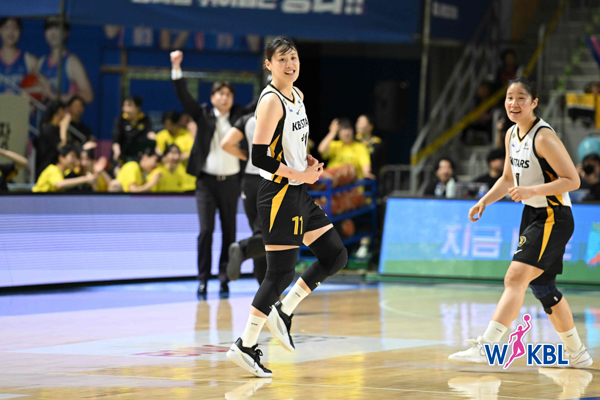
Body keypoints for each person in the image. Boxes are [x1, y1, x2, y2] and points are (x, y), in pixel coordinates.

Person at [449, 77, 593, 368]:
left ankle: (488, 345)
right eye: (509, 98)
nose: (513, 104)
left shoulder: (543, 137)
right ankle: (577, 353)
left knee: (514, 278)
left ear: (534, 103)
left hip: (554, 215)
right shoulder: (511, 134)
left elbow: (573, 180)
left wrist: (531, 190)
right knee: (543, 289)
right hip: (533, 214)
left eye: (521, 98)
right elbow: (506, 178)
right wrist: (484, 201)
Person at [226, 36, 347, 378]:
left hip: (297, 191)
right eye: (282, 59)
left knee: (335, 255)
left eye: (293, 57)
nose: (290, 64)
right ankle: (245, 344)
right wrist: (300, 174)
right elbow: (259, 156)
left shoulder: (298, 95)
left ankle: (284, 310)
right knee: (279, 273)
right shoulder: (271, 101)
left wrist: (305, 159)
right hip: (278, 193)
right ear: (269, 65)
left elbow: (290, 142)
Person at [170, 49, 256, 296]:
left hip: (231, 183)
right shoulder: (203, 115)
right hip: (206, 183)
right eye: (220, 93)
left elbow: (261, 102)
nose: (224, 97)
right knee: (206, 230)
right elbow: (184, 96)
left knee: (229, 231)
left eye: (228, 94)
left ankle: (224, 278)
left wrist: (274, 78)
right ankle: (203, 278)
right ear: (212, 96)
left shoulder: (239, 116)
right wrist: (176, 67)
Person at [221, 113, 268, 284]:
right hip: (272, 178)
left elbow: (226, 143)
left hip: (249, 181)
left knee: (260, 235)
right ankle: (243, 249)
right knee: (277, 235)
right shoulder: (284, 115)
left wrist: (249, 157)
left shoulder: (247, 119)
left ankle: (265, 294)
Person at [37, 18, 93, 104]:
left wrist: (53, 96)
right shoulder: (41, 62)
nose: (53, 33)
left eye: (57, 27)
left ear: (66, 32)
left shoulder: (72, 62)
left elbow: (88, 96)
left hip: (64, 112)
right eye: (49, 27)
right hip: (44, 112)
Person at [32, 144, 100, 192]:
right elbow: (59, 184)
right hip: (36, 200)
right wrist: (85, 179)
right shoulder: (52, 169)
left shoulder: (66, 172)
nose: (74, 160)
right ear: (61, 158)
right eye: (72, 156)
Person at [112, 95, 155, 163]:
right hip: (121, 156)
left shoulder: (145, 120)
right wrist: (117, 152)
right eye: (124, 106)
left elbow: (150, 133)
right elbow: (115, 140)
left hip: (138, 157)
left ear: (138, 108)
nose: (125, 109)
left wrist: (154, 138)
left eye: (129, 106)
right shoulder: (120, 120)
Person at [0, 17, 37, 95]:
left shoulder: (30, 61)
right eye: (7, 27)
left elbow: (38, 93)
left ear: (20, 31)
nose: (11, 32)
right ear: (0, 30)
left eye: (15, 28)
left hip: (21, 103)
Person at [34, 100, 71, 178]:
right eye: (65, 111)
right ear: (60, 111)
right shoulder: (48, 129)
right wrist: (63, 128)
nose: (67, 115)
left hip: (57, 171)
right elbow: (62, 149)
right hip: (47, 171)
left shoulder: (58, 129)